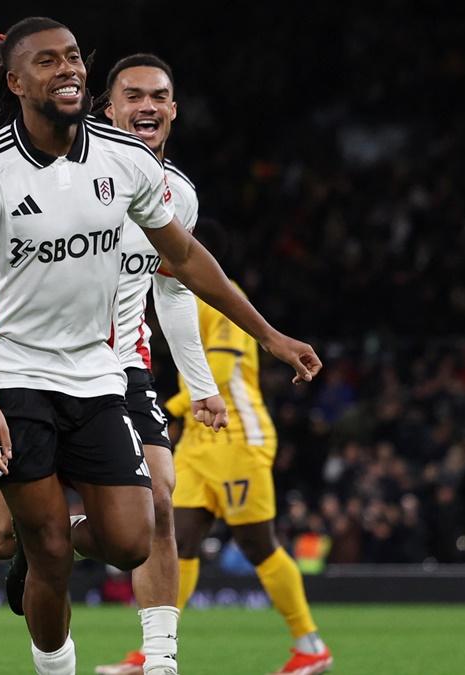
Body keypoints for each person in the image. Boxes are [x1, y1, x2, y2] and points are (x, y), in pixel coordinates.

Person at [0, 18, 320, 674]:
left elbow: (184, 267)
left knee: (136, 532)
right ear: (17, 82)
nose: (67, 68)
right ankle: (42, 621)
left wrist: (267, 335)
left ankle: (139, 640)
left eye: (74, 56)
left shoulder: (131, 166)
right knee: (33, 544)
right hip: (10, 368)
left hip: (104, 370)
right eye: (48, 61)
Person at [161, 220, 333, 675]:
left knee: (258, 545)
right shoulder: (172, 291)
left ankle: (310, 645)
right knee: (178, 542)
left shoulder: (222, 294)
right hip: (199, 442)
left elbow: (222, 370)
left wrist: (167, 403)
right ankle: (155, 652)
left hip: (237, 434)